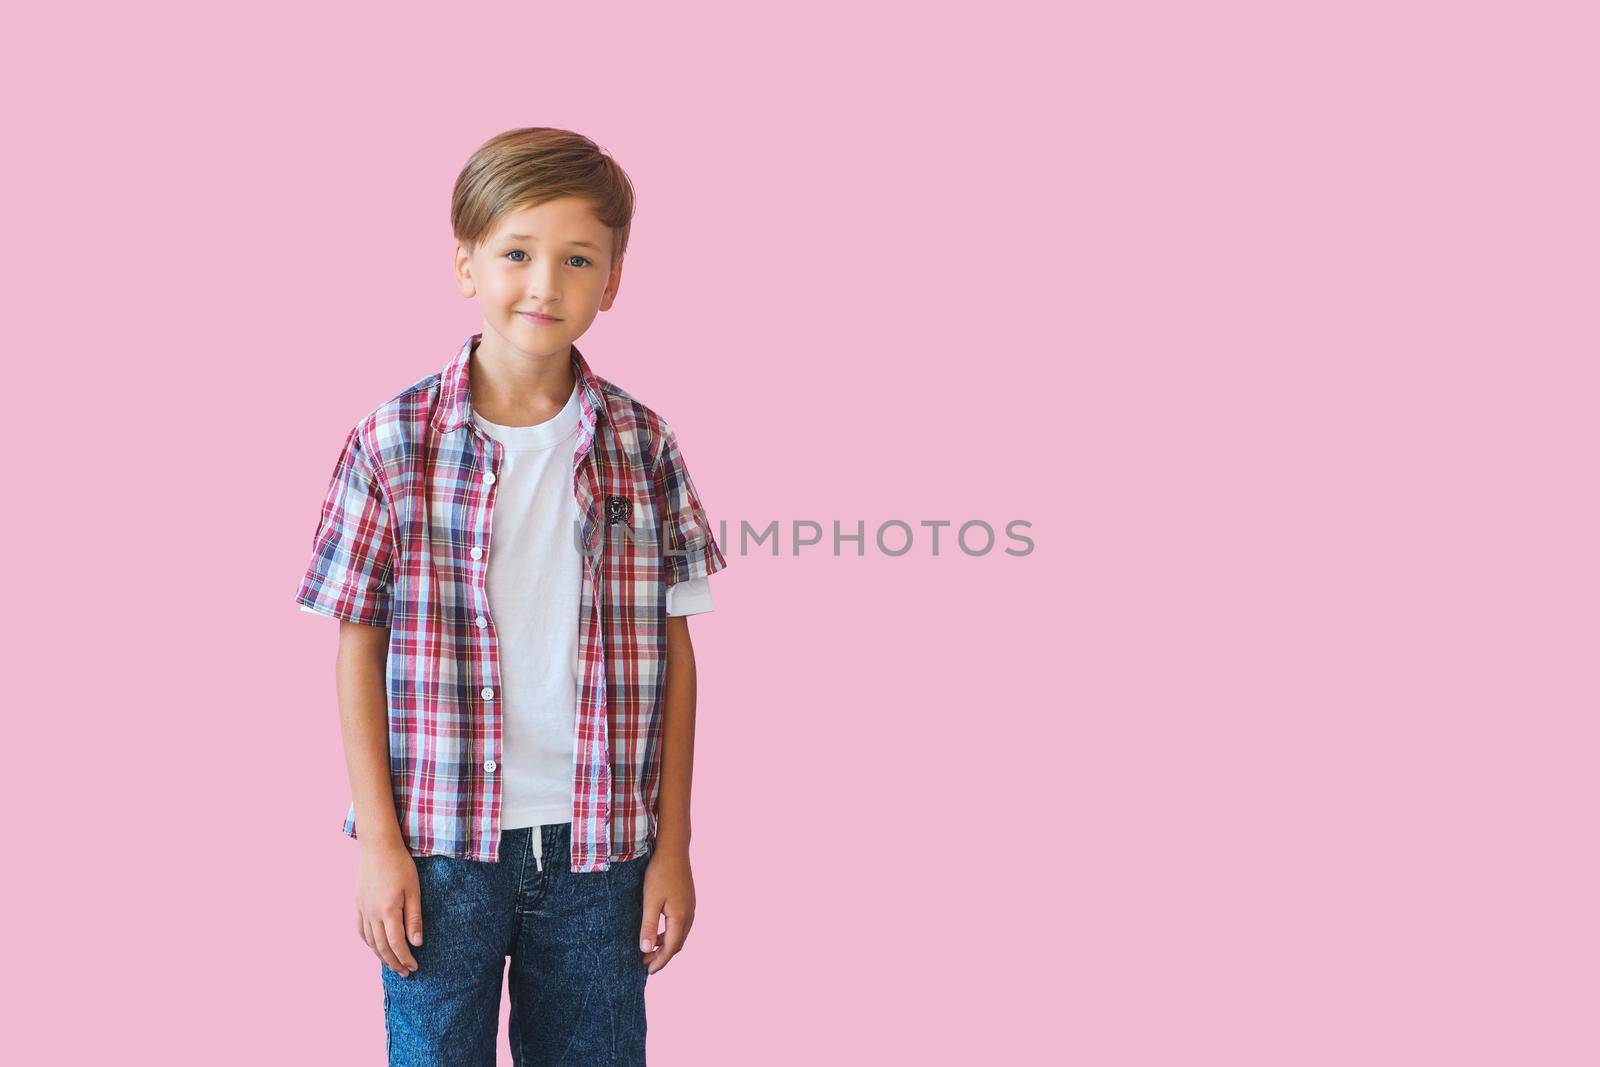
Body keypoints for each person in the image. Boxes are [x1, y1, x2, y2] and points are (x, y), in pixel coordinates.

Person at [293, 127, 727, 1066]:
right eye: (517, 254)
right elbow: (355, 644)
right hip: (441, 845)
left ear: (612, 280)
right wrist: (380, 845)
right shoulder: (391, 442)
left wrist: (675, 846)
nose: (545, 285)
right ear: (466, 263)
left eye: (578, 260)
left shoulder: (644, 446)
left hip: (602, 848)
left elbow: (677, 650)